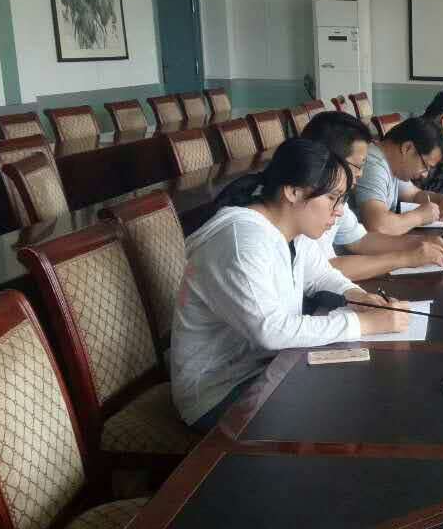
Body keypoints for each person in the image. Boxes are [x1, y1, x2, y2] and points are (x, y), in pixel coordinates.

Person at [170, 139, 411, 431]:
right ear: (293, 192)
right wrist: (365, 324)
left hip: (270, 366)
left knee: (364, 393)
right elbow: (270, 331)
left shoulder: (291, 230)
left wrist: (358, 297)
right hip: (219, 392)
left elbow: (320, 274)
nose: (338, 212)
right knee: (351, 412)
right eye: (333, 198)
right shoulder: (242, 241)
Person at [300, 111, 443, 278]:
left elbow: (360, 240)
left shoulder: (336, 199)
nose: (361, 174)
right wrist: (406, 258)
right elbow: (322, 271)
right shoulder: (307, 203)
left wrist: (419, 243)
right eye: (359, 166)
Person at [352, 114, 443, 235]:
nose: (424, 175)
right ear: (407, 148)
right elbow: (378, 226)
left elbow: (413, 195)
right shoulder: (373, 164)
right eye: (425, 166)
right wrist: (420, 217)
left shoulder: (394, 164)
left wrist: (441, 199)